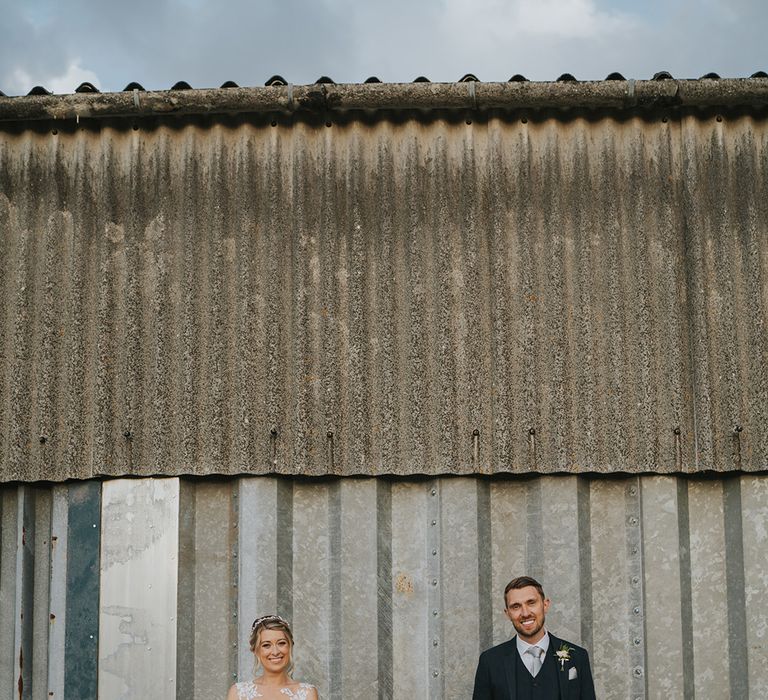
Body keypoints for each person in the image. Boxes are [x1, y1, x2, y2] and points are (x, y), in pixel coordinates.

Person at [472, 576, 596, 700]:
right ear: (508, 613)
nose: (525, 613)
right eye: (516, 606)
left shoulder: (578, 657)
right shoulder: (489, 661)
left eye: (531, 603)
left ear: (545, 605)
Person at [227, 614, 318, 700]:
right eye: (266, 645)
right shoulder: (238, 693)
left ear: (290, 646)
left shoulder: (307, 694)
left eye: (281, 643)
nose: (275, 652)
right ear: (256, 650)